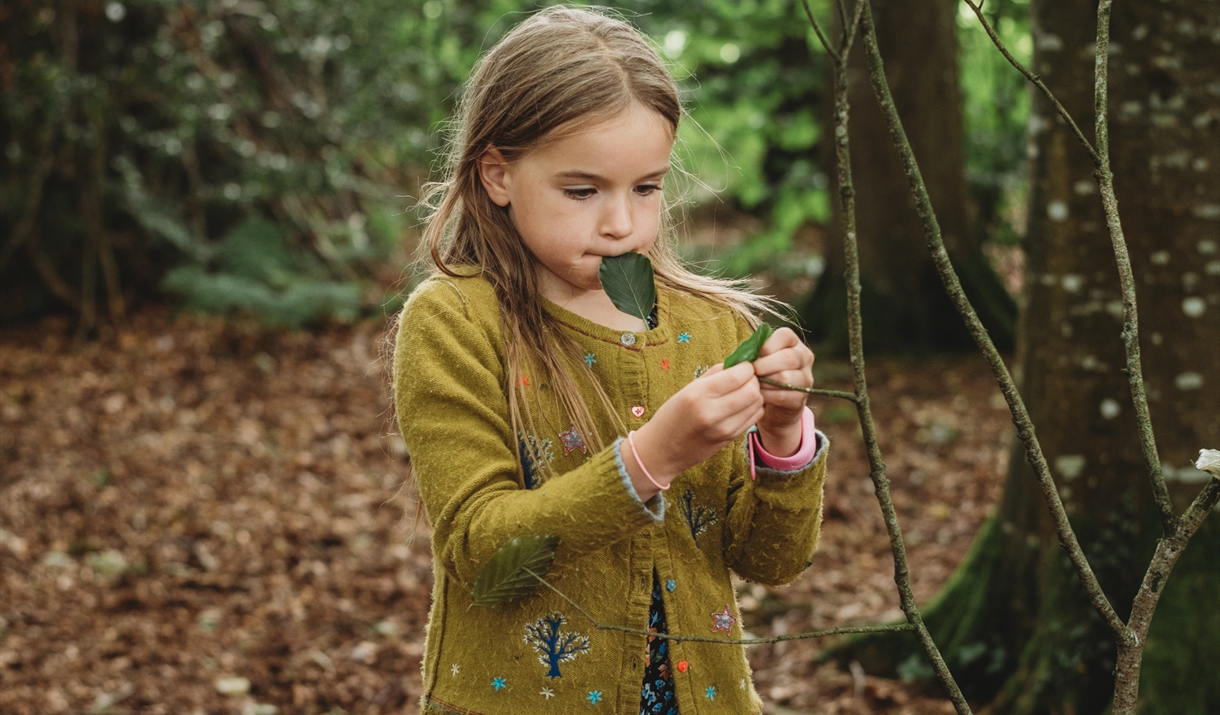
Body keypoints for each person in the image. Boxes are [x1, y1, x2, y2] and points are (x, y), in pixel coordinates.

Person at [392, 7, 827, 713]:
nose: (622, 222)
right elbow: (484, 557)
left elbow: (771, 561)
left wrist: (783, 436)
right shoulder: (456, 323)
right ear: (498, 173)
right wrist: (651, 456)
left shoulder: (711, 324)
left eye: (646, 188)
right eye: (582, 190)